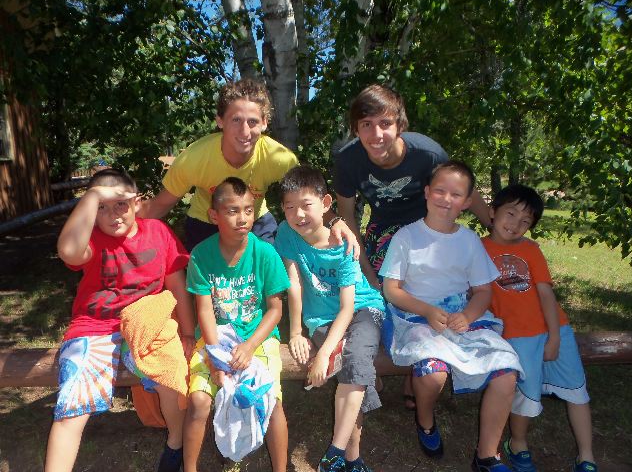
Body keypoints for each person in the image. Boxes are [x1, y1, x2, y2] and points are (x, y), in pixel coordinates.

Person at [333, 83, 491, 409]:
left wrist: (494, 224)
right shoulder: (348, 160)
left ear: (400, 124)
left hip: (429, 225)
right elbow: (347, 217)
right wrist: (368, 273)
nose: (376, 134)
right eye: (366, 125)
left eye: (385, 123)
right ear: (356, 128)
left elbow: (464, 189)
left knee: (433, 286)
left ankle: (418, 371)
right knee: (381, 292)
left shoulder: (427, 154)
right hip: (383, 229)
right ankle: (380, 359)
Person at [44, 169, 195, 472]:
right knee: (73, 406)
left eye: (120, 205)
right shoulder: (90, 239)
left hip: (146, 322)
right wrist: (93, 195)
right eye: (102, 207)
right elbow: (69, 251)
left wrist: (189, 332)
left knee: (172, 379)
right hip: (94, 328)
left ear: (137, 203)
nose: (112, 215)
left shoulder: (158, 231)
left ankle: (175, 443)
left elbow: (177, 284)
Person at [380, 161, 523, 472]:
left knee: (507, 372)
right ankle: (425, 422)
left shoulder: (469, 240)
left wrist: (468, 315)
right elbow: (391, 290)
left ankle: (487, 455)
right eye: (440, 191)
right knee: (433, 373)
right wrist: (427, 310)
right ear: (427, 192)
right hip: (415, 316)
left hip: (462, 318)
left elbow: (483, 291)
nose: (446, 199)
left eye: (456, 194)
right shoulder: (407, 236)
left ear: (467, 202)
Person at [140, 77, 356, 253]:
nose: (245, 131)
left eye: (252, 122)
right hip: (207, 221)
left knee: (271, 272)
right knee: (207, 283)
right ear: (220, 121)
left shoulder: (280, 158)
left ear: (264, 123)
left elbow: (308, 198)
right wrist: (125, 216)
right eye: (236, 120)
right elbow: (160, 205)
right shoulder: (194, 159)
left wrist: (335, 221)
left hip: (256, 221)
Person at [274, 165, 386, 472]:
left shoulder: (343, 246)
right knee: (354, 368)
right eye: (289, 207)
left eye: (306, 205)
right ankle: (353, 458)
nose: (298, 215)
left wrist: (322, 353)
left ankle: (335, 453)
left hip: (363, 309)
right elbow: (294, 284)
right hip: (321, 318)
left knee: (353, 358)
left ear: (325, 204)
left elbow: (348, 308)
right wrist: (295, 333)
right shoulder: (286, 233)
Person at [481, 185, 597, 472]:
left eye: (525, 221)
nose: (515, 224)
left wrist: (554, 336)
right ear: (492, 212)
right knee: (526, 393)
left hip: (556, 328)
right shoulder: (477, 249)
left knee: (577, 389)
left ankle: (587, 456)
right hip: (515, 335)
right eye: (511, 213)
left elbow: (545, 293)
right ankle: (518, 443)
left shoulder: (530, 249)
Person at [183, 177, 290, 472]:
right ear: (213, 215)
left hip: (258, 336)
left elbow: (275, 310)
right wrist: (216, 359)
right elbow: (204, 310)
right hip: (214, 337)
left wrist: (250, 346)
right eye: (232, 211)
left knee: (272, 401)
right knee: (198, 401)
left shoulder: (265, 253)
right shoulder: (201, 255)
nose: (242, 218)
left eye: (248, 210)